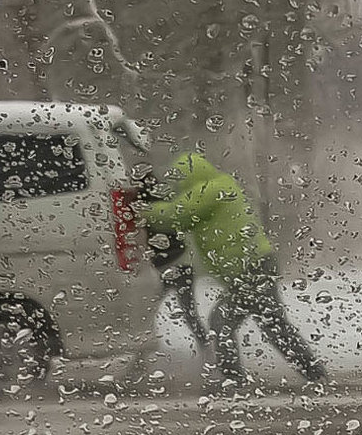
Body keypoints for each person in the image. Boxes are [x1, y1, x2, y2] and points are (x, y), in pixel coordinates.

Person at [142, 152, 327, 389]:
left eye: (179, 181)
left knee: (226, 321)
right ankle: (313, 372)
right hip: (254, 266)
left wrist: (141, 211)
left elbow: (175, 214)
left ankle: (237, 379)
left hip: (251, 268)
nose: (177, 187)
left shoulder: (211, 190)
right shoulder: (220, 185)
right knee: (271, 324)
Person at [133, 168, 210, 356]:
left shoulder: (141, 204)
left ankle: (140, 357)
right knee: (189, 312)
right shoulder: (165, 199)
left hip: (162, 267)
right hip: (182, 264)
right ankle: (207, 349)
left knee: (147, 312)